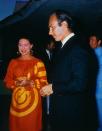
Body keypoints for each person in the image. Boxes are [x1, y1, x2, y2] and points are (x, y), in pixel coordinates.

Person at [40, 10, 98, 131]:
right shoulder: (63, 47)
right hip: (63, 114)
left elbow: (80, 83)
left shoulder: (78, 47)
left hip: (73, 118)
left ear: (65, 25)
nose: (49, 32)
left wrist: (53, 87)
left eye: (52, 27)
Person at [4, 37, 48, 131]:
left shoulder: (38, 62)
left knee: (31, 126)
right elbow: (7, 81)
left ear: (31, 46)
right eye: (20, 45)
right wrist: (16, 83)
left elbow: (44, 83)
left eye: (26, 45)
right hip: (16, 103)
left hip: (33, 104)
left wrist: (30, 82)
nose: (23, 48)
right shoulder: (13, 62)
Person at [89, 34, 102, 131]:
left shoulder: (96, 54)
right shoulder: (93, 54)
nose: (90, 42)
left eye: (93, 40)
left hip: (99, 91)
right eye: (90, 40)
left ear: (99, 42)